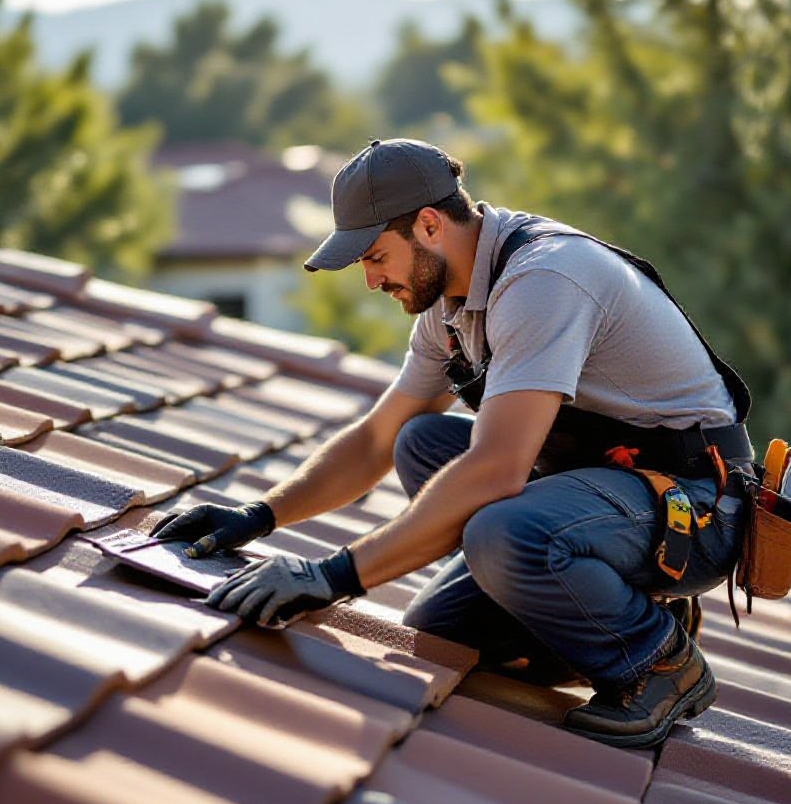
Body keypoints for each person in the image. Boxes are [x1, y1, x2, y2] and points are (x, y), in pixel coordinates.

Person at [153, 138, 755, 749]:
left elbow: (496, 471)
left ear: (430, 225)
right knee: (423, 472)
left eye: (376, 257)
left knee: (503, 535)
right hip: (602, 494)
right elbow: (375, 441)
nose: (370, 280)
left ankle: (657, 658)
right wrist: (256, 517)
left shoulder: (544, 280)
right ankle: (613, 606)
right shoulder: (450, 306)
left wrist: (331, 577)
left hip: (696, 507)